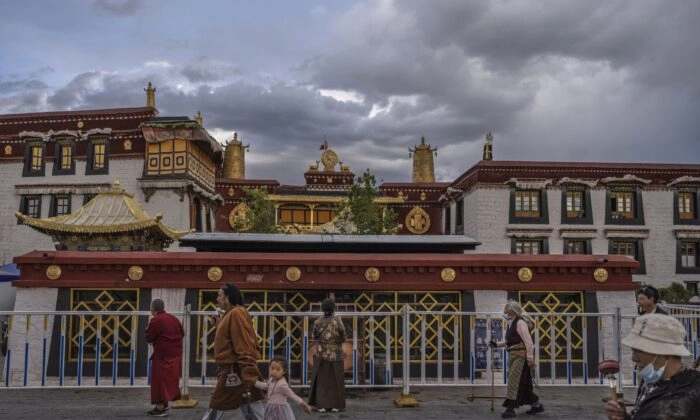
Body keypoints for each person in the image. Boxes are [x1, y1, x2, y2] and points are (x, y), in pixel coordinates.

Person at [604, 313, 700, 419]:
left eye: (639, 351)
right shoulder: (651, 379)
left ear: (666, 353)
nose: (633, 358)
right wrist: (623, 416)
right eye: (633, 350)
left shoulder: (682, 400)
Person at [202, 283, 265, 420]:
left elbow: (243, 342)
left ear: (228, 297)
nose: (217, 299)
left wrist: (248, 369)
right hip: (235, 368)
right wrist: (219, 323)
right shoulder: (231, 313)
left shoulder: (236, 313)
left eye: (220, 295)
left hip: (234, 369)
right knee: (250, 403)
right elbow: (230, 336)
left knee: (217, 403)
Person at [489, 300, 544, 418]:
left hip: (520, 356)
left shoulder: (520, 323)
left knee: (515, 382)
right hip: (514, 356)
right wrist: (497, 344)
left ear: (512, 309)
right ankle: (536, 404)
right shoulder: (512, 323)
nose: (505, 308)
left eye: (507, 306)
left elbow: (529, 342)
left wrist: (530, 358)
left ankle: (510, 409)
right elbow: (511, 342)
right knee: (523, 383)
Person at [145, 298, 185, 417]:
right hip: (176, 355)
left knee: (159, 381)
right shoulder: (174, 319)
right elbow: (182, 333)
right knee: (168, 381)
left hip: (163, 357)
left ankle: (160, 408)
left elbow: (149, 337)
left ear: (153, 309)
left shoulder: (156, 320)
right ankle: (165, 405)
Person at [308, 298, 347, 413]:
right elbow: (344, 337)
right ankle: (336, 405)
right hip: (336, 354)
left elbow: (314, 337)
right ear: (334, 309)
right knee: (336, 379)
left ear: (322, 309)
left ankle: (321, 405)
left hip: (321, 353)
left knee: (321, 379)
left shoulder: (317, 321)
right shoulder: (338, 321)